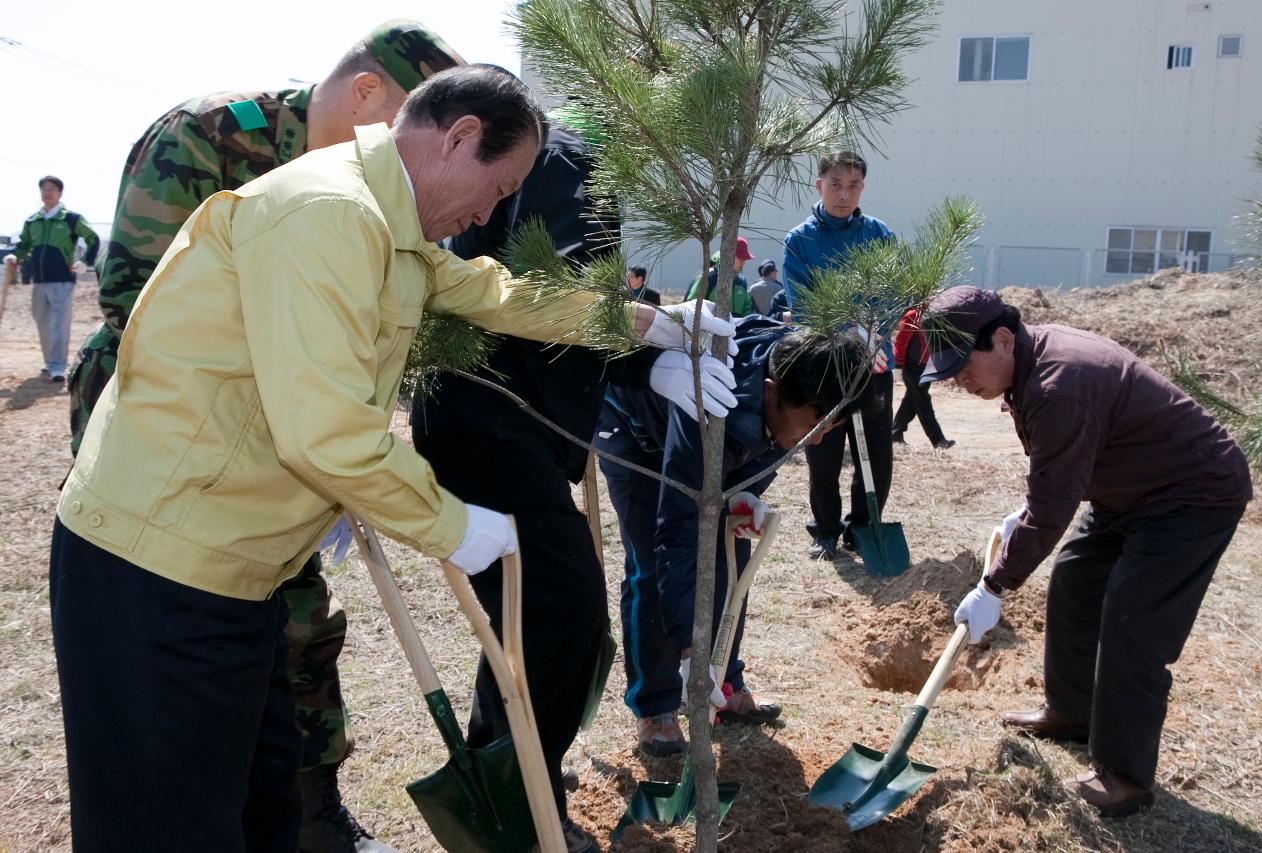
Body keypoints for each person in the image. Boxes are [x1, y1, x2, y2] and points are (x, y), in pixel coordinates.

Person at [50, 65, 732, 852]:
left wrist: (649, 323)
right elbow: (327, 431)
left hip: (236, 575)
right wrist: (452, 524)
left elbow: (499, 293)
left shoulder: (390, 228)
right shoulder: (328, 212)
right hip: (156, 568)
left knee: (260, 811)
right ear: (460, 137)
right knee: (167, 828)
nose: (494, 210)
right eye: (499, 187)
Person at [57, 22, 462, 852]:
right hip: (172, 441)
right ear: (366, 95)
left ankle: (306, 814)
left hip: (293, 443)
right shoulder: (211, 137)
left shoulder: (379, 197)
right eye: (414, 130)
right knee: (174, 663)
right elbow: (141, 305)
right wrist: (312, 428)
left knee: (298, 629)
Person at [410, 114, 737, 853]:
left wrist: (641, 365)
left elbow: (566, 311)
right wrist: (647, 340)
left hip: (505, 420)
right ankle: (524, 806)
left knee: (528, 621)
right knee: (568, 612)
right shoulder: (566, 164)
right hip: (489, 418)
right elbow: (541, 303)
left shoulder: (582, 165)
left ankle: (519, 779)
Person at [924, 286, 1252, 818]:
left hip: (1191, 493)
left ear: (1002, 339)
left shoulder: (1059, 385)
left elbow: (1053, 508)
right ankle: (1073, 711)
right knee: (1075, 576)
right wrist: (1026, 514)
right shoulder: (1033, 364)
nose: (959, 381)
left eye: (964, 365)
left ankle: (1124, 776)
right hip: (1129, 490)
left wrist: (993, 586)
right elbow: (1059, 475)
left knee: (1132, 621)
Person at [595, 320, 862, 756]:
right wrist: (687, 651)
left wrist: (745, 493)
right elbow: (676, 530)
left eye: (831, 425)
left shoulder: (799, 371)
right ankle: (657, 704)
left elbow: (768, 447)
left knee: (729, 551)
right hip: (635, 428)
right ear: (772, 393)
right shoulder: (713, 404)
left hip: (714, 435)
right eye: (817, 423)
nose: (821, 437)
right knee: (651, 560)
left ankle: (724, 678)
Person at [782, 150, 895, 561]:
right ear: (819, 185)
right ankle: (826, 529)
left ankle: (862, 527)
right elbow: (804, 306)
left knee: (878, 456)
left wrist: (872, 335)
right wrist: (851, 334)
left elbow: (895, 295)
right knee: (824, 453)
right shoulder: (800, 241)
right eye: (835, 184)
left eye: (853, 185)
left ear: (862, 187)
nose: (843, 194)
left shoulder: (880, 235)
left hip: (874, 362)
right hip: (823, 365)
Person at [3, 176, 99, 382]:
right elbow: (24, 244)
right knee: (42, 323)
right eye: (44, 189)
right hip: (39, 281)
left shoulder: (71, 219)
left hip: (62, 280)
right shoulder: (32, 221)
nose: (47, 193)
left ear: (60, 193)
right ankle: (49, 361)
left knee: (58, 324)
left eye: (52, 189)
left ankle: (58, 366)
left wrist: (85, 262)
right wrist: (14, 256)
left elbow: (93, 239)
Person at [890, 306, 953, 449]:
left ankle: (895, 432)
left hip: (927, 365)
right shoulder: (913, 315)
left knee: (911, 401)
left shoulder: (936, 314)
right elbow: (901, 341)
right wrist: (898, 365)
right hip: (912, 366)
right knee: (923, 402)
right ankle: (938, 440)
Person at [685, 236, 755, 317]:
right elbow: (691, 305)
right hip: (708, 328)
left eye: (744, 258)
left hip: (736, 329)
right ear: (729, 255)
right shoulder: (708, 277)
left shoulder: (742, 282)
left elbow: (748, 309)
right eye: (740, 258)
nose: (743, 262)